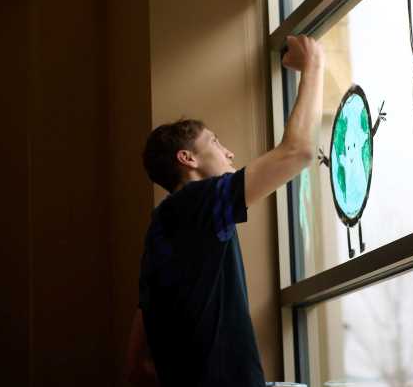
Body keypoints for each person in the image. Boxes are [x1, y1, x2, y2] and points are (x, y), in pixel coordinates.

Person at [125, 35, 325, 386]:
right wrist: (314, 64)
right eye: (215, 142)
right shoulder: (194, 204)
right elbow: (298, 152)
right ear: (187, 159)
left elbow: (138, 365)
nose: (229, 153)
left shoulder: (160, 230)